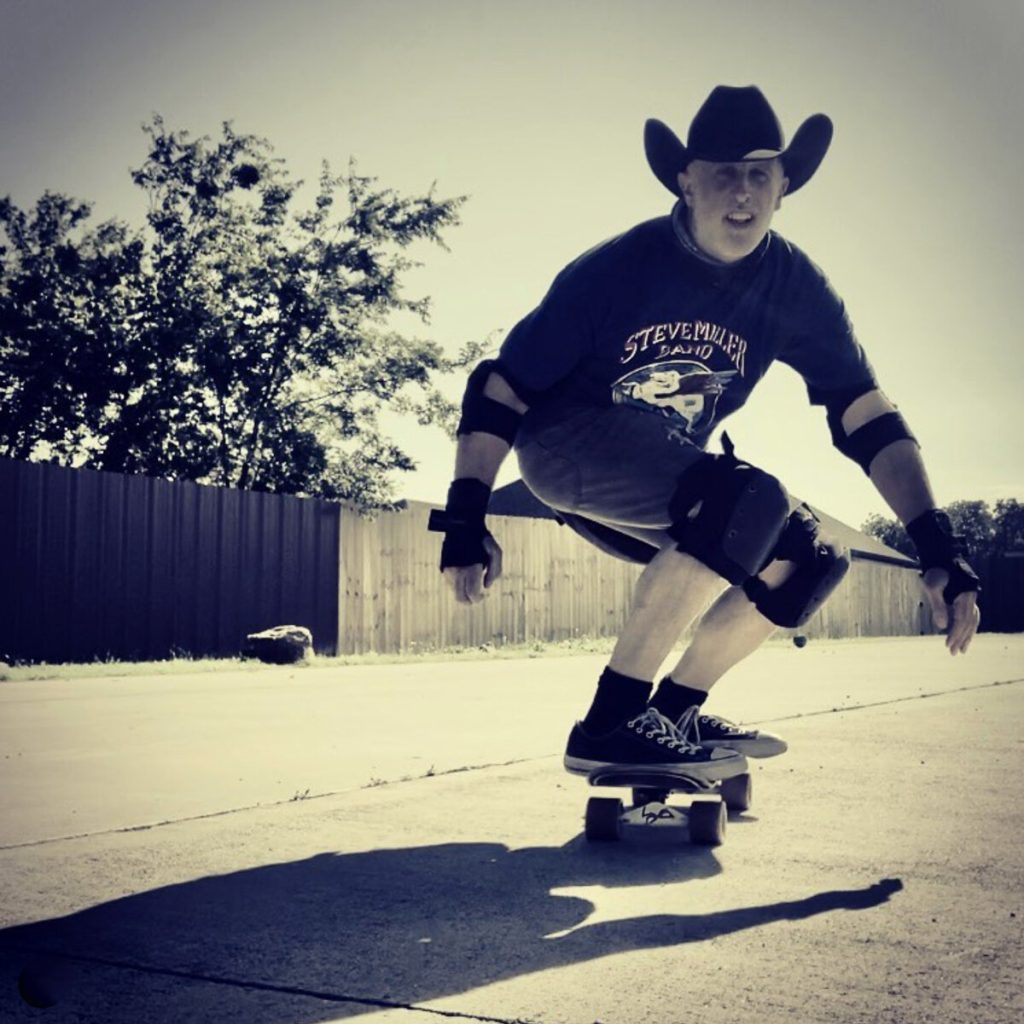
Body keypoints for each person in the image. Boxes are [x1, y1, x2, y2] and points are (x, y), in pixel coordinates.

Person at [429, 85, 981, 781]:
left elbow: (864, 413)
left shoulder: (795, 286)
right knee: (744, 500)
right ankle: (613, 722)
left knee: (812, 557)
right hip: (567, 445)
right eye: (723, 174)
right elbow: (501, 387)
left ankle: (673, 714)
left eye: (759, 175)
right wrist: (466, 517)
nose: (742, 193)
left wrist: (939, 547)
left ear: (784, 187)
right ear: (687, 183)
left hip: (670, 467)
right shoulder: (621, 267)